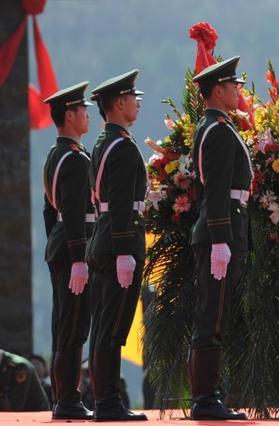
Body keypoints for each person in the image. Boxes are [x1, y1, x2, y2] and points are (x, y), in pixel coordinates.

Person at [188, 57, 251, 420]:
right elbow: (214, 189)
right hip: (221, 232)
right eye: (233, 85)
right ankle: (205, 399)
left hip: (226, 228)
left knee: (217, 312)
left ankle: (209, 394)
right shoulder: (217, 130)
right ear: (217, 91)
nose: (238, 90)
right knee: (211, 314)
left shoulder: (220, 126)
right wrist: (220, 239)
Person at [87, 70, 147, 421]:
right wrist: (126, 249)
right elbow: (122, 202)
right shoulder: (122, 147)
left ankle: (105, 399)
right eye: (132, 98)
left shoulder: (104, 141)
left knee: (104, 325)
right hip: (117, 242)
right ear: (119, 103)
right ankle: (107, 402)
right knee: (111, 326)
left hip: (105, 239)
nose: (137, 104)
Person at [41, 82, 95, 420]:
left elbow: (51, 211)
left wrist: (56, 242)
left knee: (63, 323)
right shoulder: (74, 160)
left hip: (60, 242)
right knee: (74, 326)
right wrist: (78, 256)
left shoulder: (55, 154)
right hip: (75, 245)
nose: (88, 116)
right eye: (83, 111)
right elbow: (74, 211)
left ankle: (63, 397)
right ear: (70, 115)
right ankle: (68, 400)